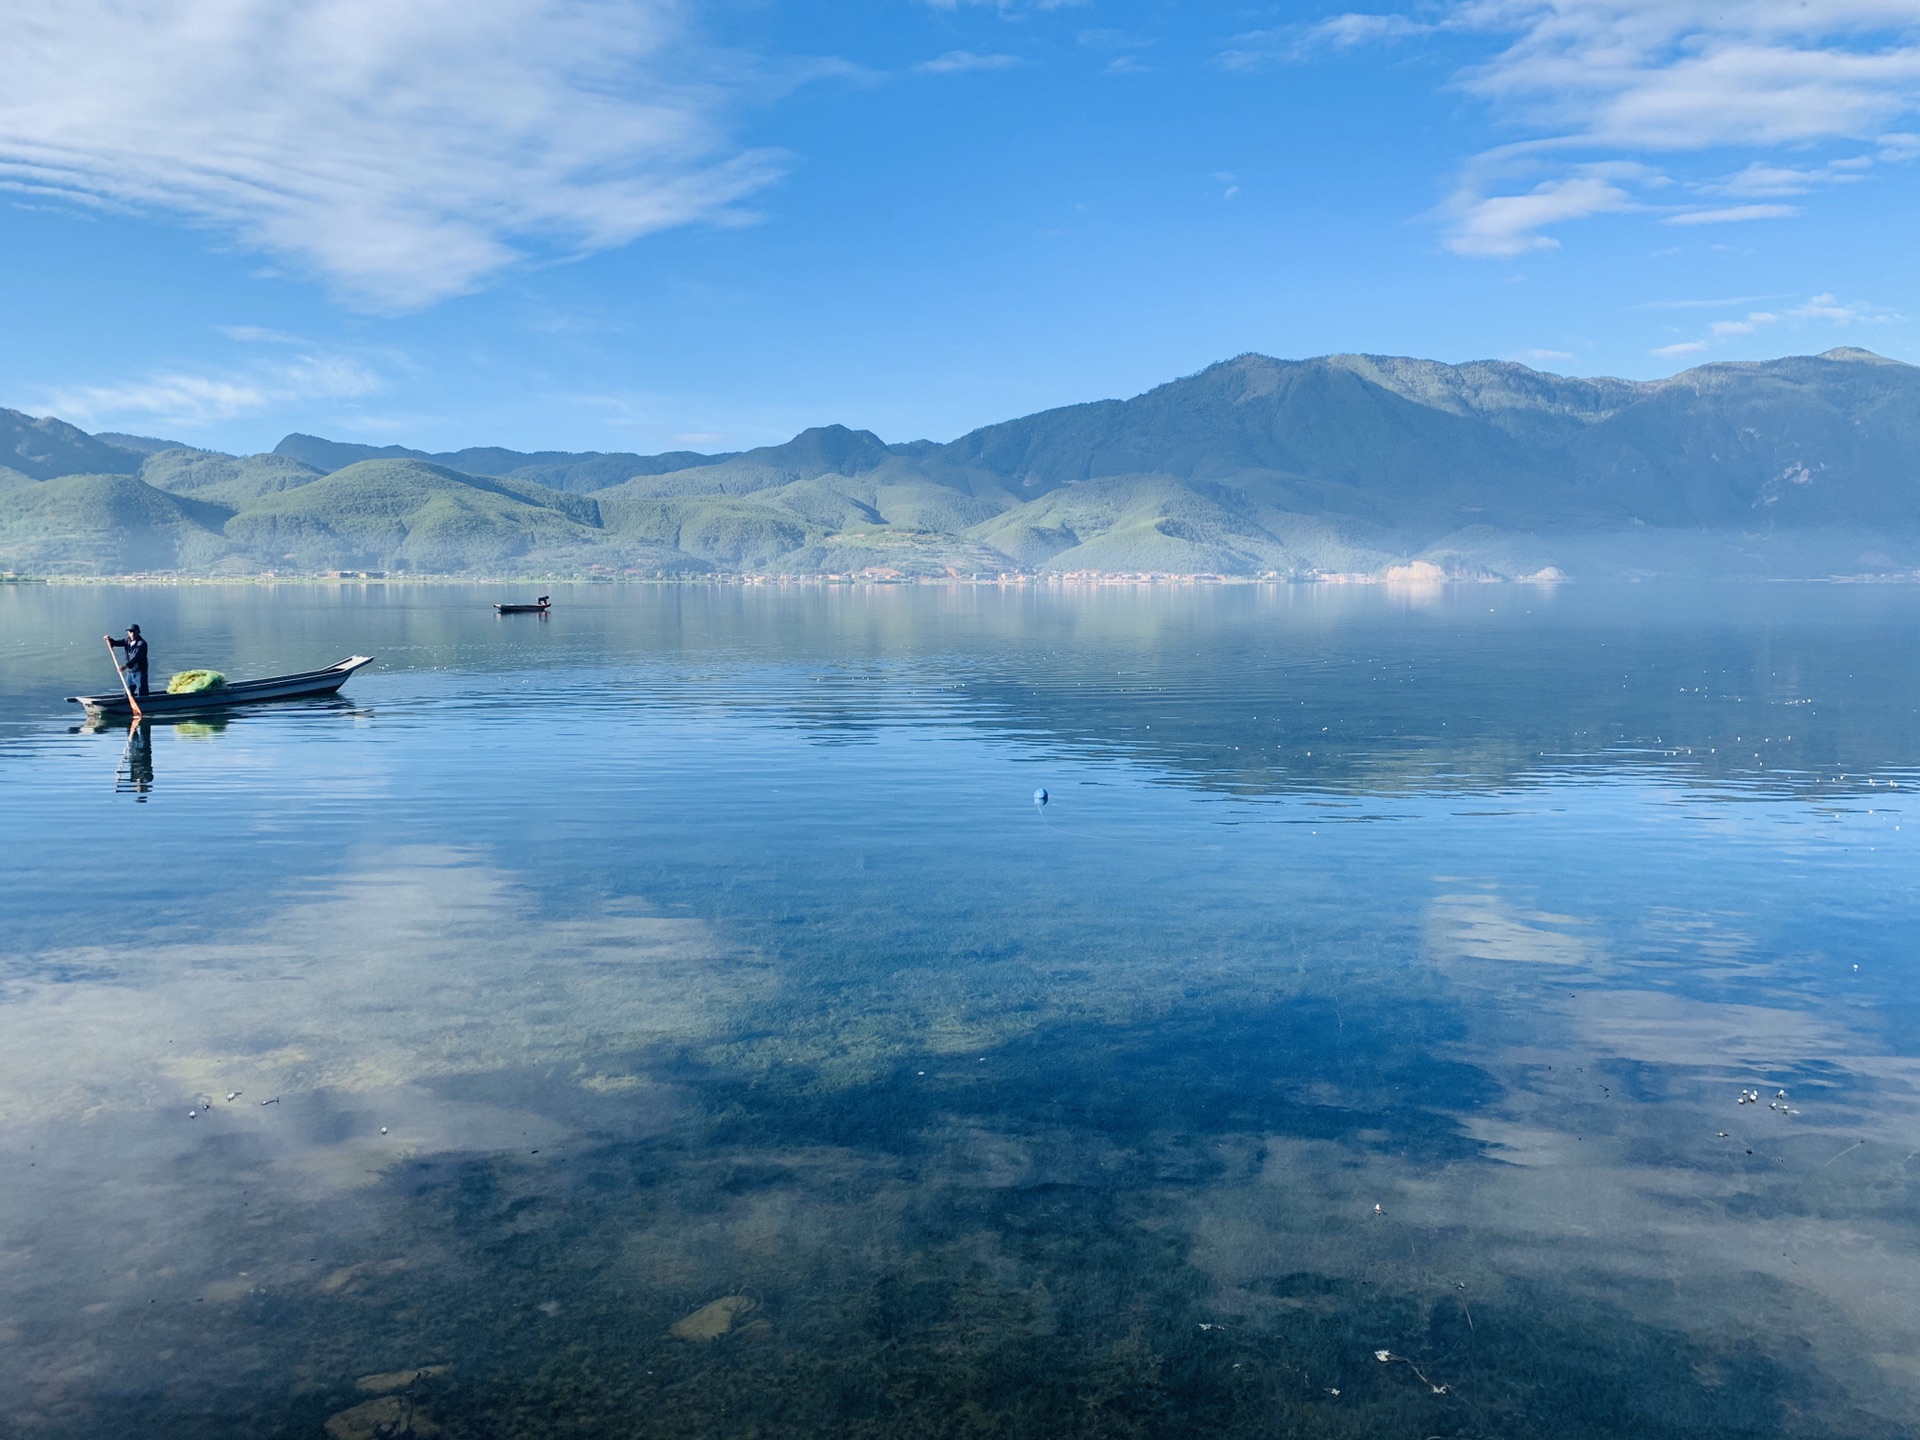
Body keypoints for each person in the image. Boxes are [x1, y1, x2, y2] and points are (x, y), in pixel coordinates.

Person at [106, 623, 150, 697]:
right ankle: (127, 704)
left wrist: (125, 666)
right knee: (128, 693)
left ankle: (145, 705)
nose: (131, 633)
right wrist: (109, 640)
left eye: (133, 631)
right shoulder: (127, 640)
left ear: (138, 632)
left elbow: (136, 658)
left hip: (140, 673)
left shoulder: (142, 644)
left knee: (142, 693)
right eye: (130, 631)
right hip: (130, 673)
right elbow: (116, 643)